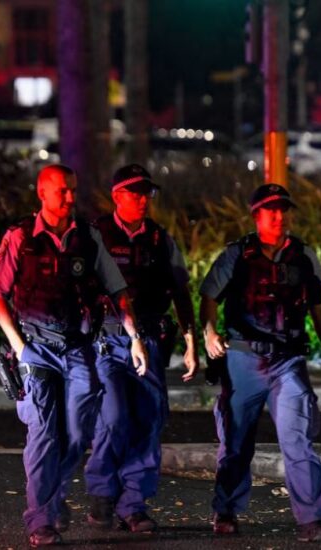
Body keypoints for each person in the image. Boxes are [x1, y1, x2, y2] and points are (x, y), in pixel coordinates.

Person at [0, 164, 148, 547]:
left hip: (77, 348)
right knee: (43, 434)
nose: (71, 197)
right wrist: (20, 348)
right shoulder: (21, 237)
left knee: (76, 433)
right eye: (63, 191)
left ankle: (53, 498)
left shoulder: (87, 237)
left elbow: (117, 290)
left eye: (73, 189)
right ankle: (41, 519)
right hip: (36, 348)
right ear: (43, 193)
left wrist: (134, 337)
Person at [199, 183, 321, 542]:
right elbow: (209, 296)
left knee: (298, 439)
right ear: (256, 215)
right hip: (243, 361)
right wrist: (210, 333)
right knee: (235, 442)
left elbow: (320, 308)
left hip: (288, 361)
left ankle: (312, 519)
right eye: (271, 210)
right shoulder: (237, 254)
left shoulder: (304, 256)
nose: (280, 217)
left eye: (284, 210)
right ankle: (226, 510)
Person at [83, 163, 199, 533]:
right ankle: (103, 492)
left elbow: (181, 292)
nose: (143, 199)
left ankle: (133, 504)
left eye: (146, 193)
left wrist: (191, 341)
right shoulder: (95, 235)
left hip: (149, 339)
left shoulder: (161, 240)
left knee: (149, 419)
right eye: (135, 193)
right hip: (107, 339)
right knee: (114, 417)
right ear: (117, 196)